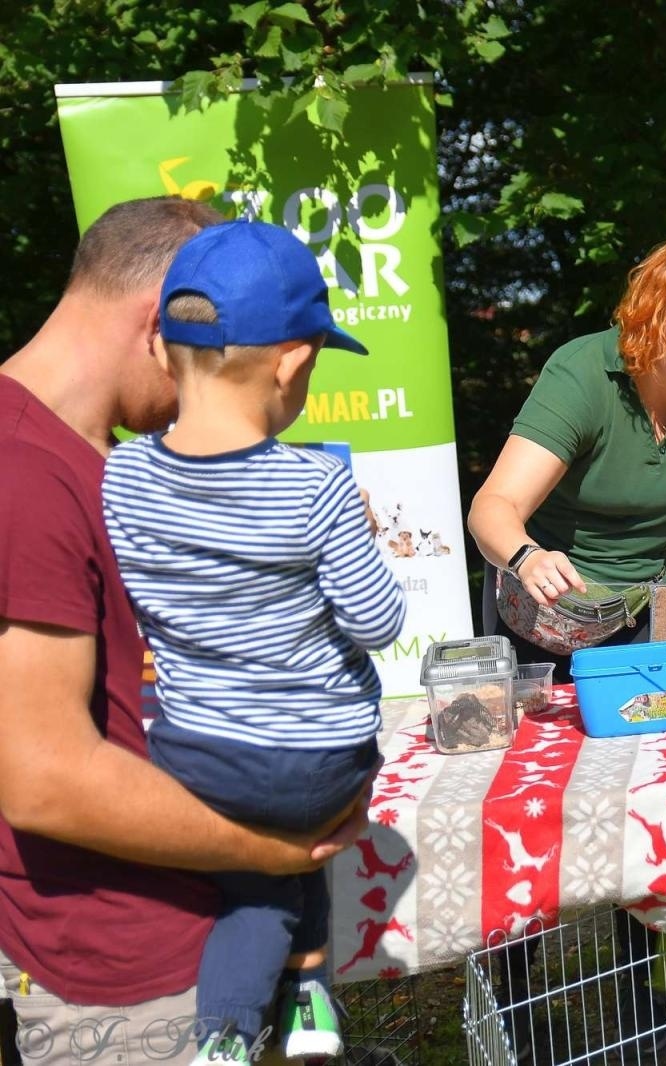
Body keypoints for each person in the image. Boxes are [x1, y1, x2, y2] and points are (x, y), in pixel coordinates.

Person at [0, 197, 366, 1066]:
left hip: (204, 936)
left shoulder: (111, 462)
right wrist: (275, 849)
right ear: (166, 317)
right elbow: (41, 777)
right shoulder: (23, 476)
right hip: (134, 979)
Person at [99, 219, 406, 1064]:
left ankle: (302, 1006)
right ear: (295, 362)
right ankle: (233, 1034)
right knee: (276, 878)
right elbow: (378, 622)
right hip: (320, 754)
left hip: (198, 755)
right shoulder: (317, 484)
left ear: (163, 351)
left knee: (256, 879)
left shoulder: (121, 474)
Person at [468, 232, 666, 672]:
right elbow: (492, 507)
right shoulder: (582, 375)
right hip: (547, 608)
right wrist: (527, 556)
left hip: (656, 603)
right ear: (653, 307)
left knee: (652, 730)